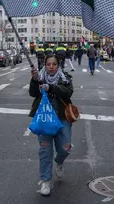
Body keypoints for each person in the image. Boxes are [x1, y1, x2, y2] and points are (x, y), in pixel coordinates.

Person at [29, 54, 73, 196]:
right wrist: (35, 80)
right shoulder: (40, 76)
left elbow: (68, 92)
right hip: (44, 118)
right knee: (45, 150)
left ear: (58, 65)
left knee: (65, 148)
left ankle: (59, 161)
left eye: (54, 64)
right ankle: (45, 180)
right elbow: (33, 93)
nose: (51, 67)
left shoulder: (64, 77)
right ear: (45, 65)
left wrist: (51, 87)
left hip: (62, 118)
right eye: (48, 64)